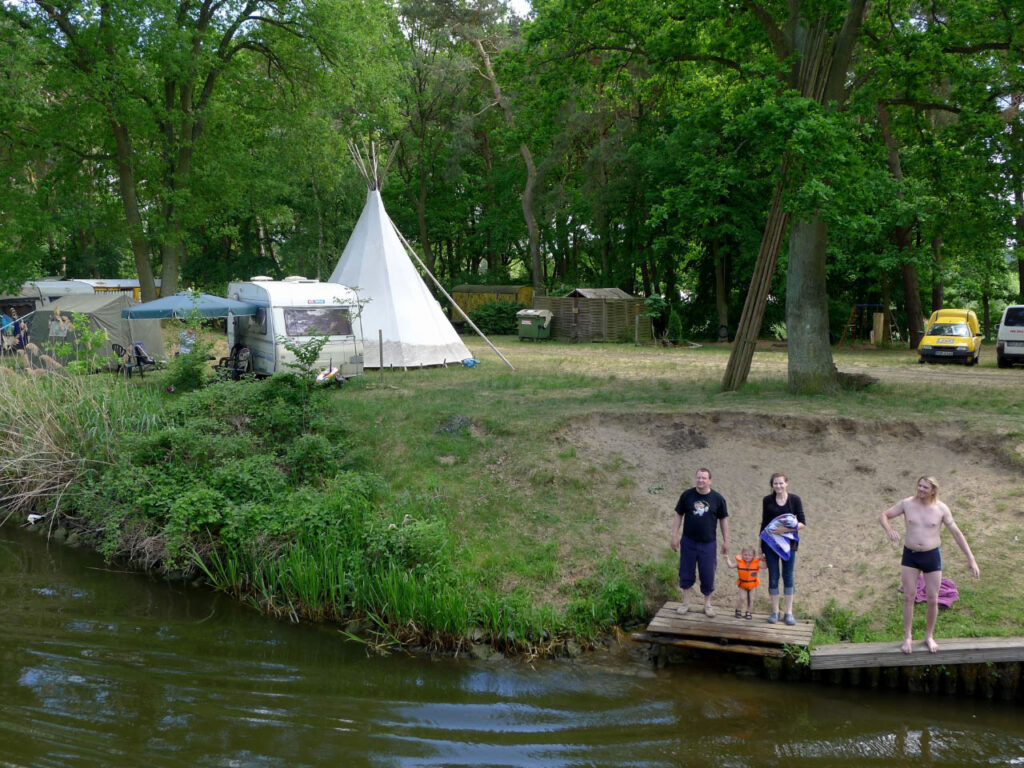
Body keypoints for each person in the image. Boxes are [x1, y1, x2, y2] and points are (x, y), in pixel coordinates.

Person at [879, 476, 980, 654]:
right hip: (910, 555)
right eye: (919, 485)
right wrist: (889, 530)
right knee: (909, 596)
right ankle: (908, 637)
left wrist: (970, 558)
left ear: (933, 490)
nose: (921, 489)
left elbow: (956, 533)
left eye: (925, 487)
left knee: (933, 599)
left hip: (932, 556)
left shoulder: (941, 509)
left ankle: (928, 636)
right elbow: (884, 515)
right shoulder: (907, 503)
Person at [670, 468, 729, 617]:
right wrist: (674, 535)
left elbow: (723, 520)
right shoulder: (687, 495)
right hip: (688, 542)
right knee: (686, 572)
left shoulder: (718, 499)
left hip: (708, 544)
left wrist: (726, 541)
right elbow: (678, 515)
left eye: (704, 478)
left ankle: (707, 604)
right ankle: (686, 602)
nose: (700, 481)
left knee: (708, 574)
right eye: (698, 478)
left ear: (710, 480)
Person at [760, 473, 806, 625]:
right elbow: (764, 524)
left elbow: (802, 523)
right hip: (771, 545)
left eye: (781, 483)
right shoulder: (767, 500)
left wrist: (784, 530)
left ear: (787, 483)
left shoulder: (795, 500)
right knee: (773, 576)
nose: (778, 486)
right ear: (772, 485)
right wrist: (761, 548)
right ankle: (775, 612)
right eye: (775, 484)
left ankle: (788, 613)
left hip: (789, 545)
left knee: (788, 576)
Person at [726, 546, 761, 619]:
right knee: (742, 598)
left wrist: (764, 559)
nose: (747, 557)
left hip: (752, 584)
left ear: (753, 556)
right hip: (742, 584)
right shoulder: (739, 563)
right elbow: (730, 566)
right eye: (745, 555)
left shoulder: (756, 563)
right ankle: (738, 610)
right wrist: (727, 558)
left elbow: (764, 566)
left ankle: (748, 612)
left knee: (751, 599)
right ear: (742, 554)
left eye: (749, 555)